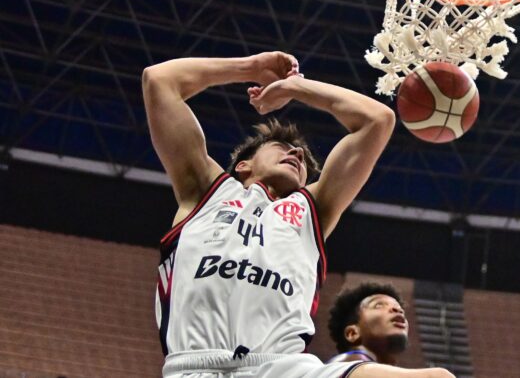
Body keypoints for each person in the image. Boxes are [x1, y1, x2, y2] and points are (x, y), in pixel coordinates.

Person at [143, 52, 454, 378]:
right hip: (195, 365)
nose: (296, 153)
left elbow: (377, 120)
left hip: (281, 368)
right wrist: (249, 68)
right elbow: (160, 81)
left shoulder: (311, 212)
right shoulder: (205, 190)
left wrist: (296, 89)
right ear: (243, 165)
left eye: (302, 159)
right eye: (281, 147)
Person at [327, 283, 409, 366]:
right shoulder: (350, 361)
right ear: (353, 333)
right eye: (379, 305)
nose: (398, 310)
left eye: (400, 309)